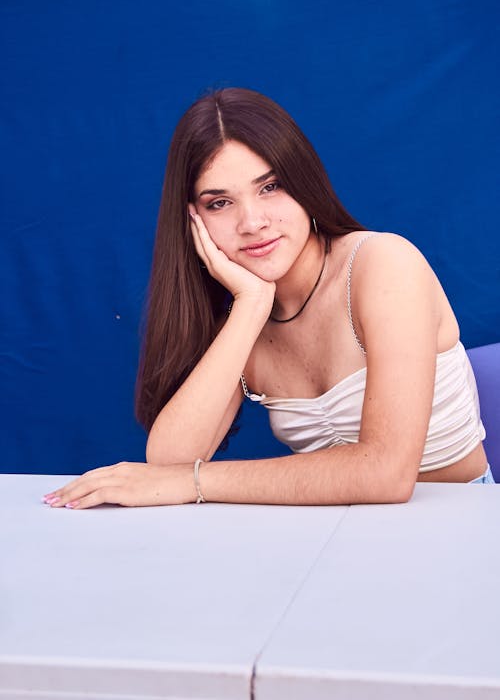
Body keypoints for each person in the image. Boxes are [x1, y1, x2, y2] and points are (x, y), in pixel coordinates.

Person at [43, 88, 493, 510]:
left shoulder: (383, 264)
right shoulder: (244, 312)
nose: (252, 222)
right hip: (336, 534)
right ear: (193, 220)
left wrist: (197, 483)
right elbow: (168, 462)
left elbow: (387, 474)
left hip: (456, 521)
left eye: (270, 186)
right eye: (220, 203)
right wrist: (253, 306)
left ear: (305, 183)